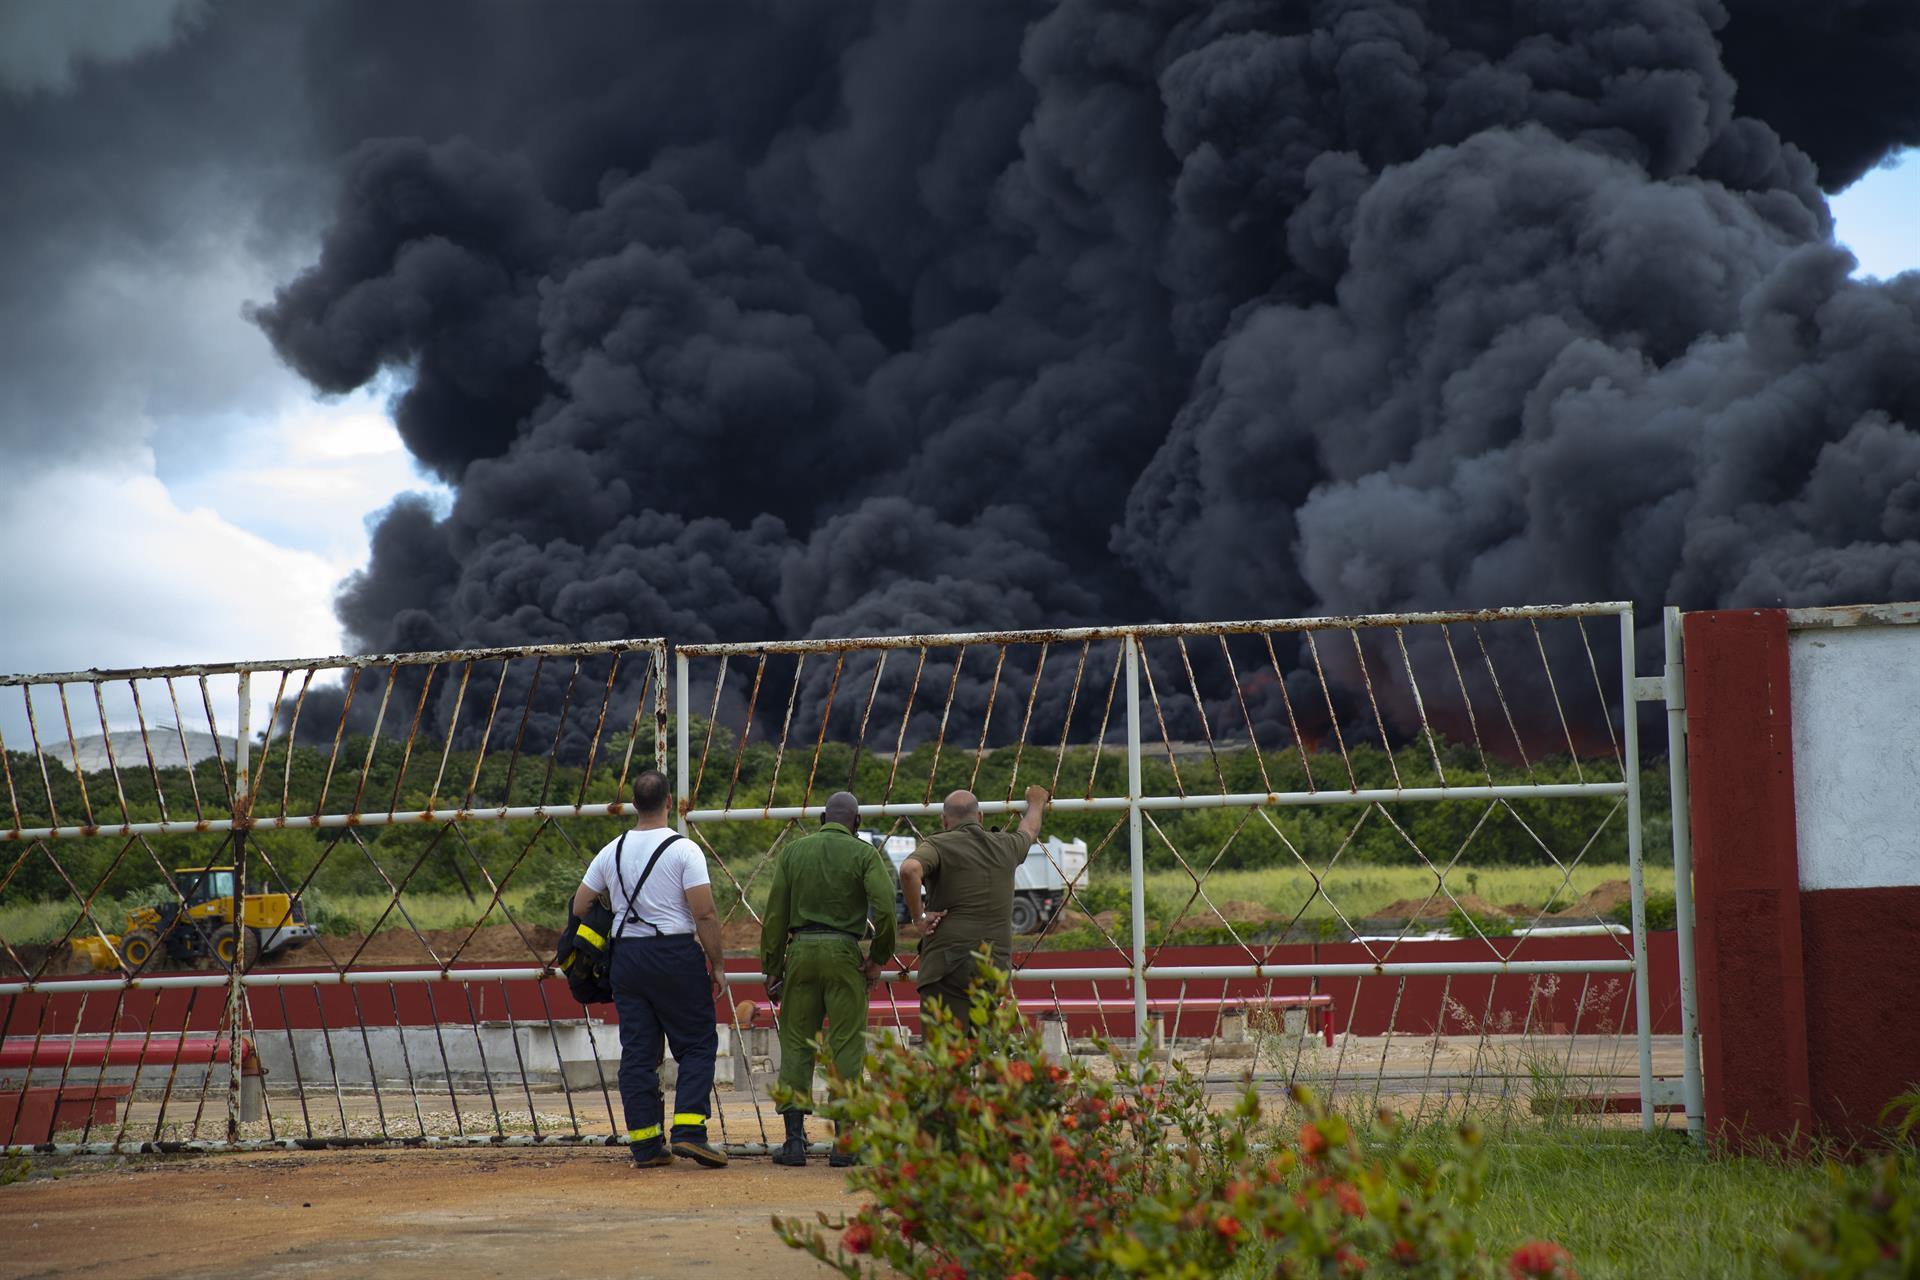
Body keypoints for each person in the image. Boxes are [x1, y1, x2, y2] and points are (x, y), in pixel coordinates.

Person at [571, 768, 729, 1169]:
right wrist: (719, 964)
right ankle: (690, 1132)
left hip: (628, 960)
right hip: (675, 955)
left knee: (638, 1054)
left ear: (632, 805)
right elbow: (705, 914)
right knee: (696, 1044)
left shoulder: (612, 850)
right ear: (670, 803)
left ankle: (645, 1145)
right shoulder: (684, 850)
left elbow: (579, 905)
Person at [760, 791, 896, 1167]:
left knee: (796, 1043)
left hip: (799, 952)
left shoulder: (793, 852)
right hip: (844, 954)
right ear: (857, 823)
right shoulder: (864, 854)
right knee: (846, 1045)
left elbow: (774, 914)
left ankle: (792, 1143)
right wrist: (878, 958)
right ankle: (846, 1143)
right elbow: (885, 909)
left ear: (822, 818)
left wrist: (772, 965)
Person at [898, 784, 1050, 1033]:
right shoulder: (1006, 845)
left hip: (947, 965)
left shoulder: (938, 845)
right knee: (982, 1048)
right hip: (994, 962)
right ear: (980, 818)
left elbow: (909, 870)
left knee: (945, 1052)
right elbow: (1029, 829)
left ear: (944, 820)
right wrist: (1036, 802)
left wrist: (919, 917)